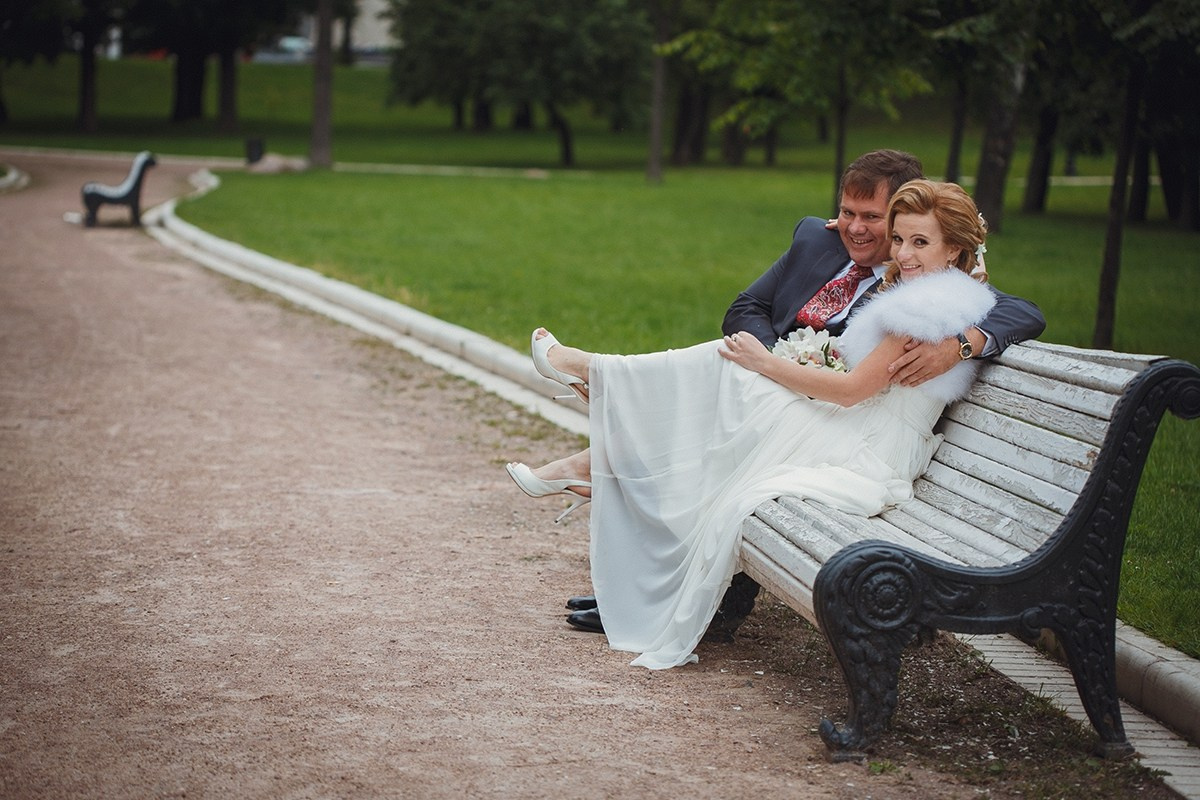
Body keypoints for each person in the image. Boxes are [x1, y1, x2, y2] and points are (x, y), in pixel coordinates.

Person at [507, 180, 1024, 670]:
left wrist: (770, 364)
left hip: (862, 442)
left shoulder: (923, 310)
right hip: (871, 434)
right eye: (901, 239)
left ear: (955, 249)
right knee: (731, 395)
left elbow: (851, 392)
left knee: (736, 382)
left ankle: (600, 384)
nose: (904, 254)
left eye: (921, 242)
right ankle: (603, 401)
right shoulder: (957, 298)